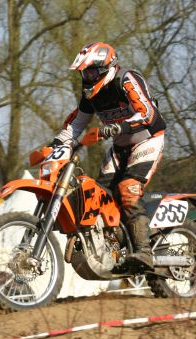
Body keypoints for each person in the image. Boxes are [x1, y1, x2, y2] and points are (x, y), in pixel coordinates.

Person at [50, 42, 166, 269]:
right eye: (84, 73)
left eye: (91, 72)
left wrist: (119, 127)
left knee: (127, 189)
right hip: (120, 146)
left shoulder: (126, 80)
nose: (87, 77)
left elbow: (148, 113)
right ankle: (116, 245)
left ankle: (144, 251)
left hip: (147, 140)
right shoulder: (91, 95)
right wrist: (56, 145)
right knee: (99, 196)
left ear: (105, 68)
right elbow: (76, 124)